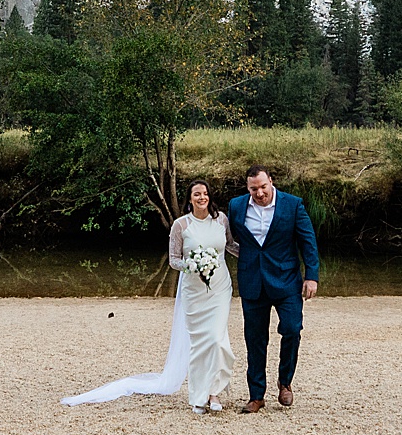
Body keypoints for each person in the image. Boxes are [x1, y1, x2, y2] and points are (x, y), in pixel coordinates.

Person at [63, 179, 237, 413]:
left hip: (219, 288)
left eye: (205, 194)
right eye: (197, 194)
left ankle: (214, 393)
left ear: (210, 197)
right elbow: (174, 260)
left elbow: (231, 245)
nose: (202, 198)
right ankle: (198, 395)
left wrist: (259, 255)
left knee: (217, 340)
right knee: (199, 344)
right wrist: (192, 265)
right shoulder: (180, 225)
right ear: (190, 199)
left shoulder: (221, 220)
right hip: (194, 292)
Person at [226, 166, 318, 412]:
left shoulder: (292, 205)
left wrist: (312, 276)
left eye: (263, 187)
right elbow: (229, 237)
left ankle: (284, 382)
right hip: (252, 280)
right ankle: (256, 395)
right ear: (248, 188)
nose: (259, 193)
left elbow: (307, 241)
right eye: (254, 189)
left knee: (291, 329)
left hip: (287, 279)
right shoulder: (236, 206)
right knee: (254, 339)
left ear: (271, 182)